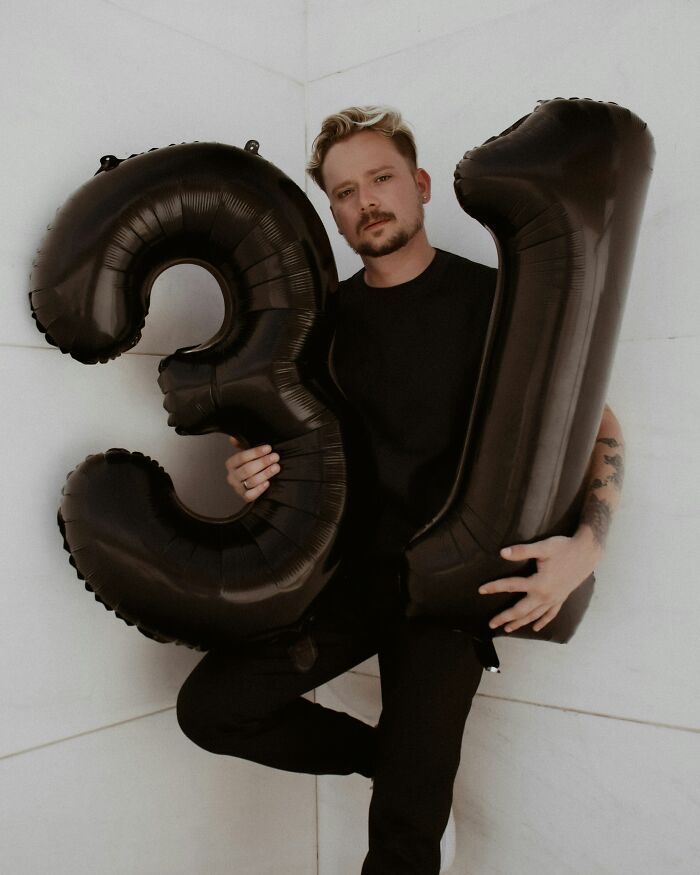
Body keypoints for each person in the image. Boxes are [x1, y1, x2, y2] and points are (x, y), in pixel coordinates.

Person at [176, 106, 625, 875]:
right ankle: (393, 758)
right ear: (333, 211)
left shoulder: (500, 301)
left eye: (381, 179)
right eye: (344, 193)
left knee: (404, 840)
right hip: (345, 582)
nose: (366, 203)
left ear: (418, 185)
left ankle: (409, 777)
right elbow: (271, 435)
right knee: (212, 708)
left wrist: (585, 549)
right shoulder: (319, 326)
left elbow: (599, 425)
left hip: (448, 593)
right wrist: (250, 469)